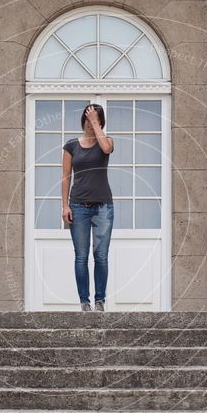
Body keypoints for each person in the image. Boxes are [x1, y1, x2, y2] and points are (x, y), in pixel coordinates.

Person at [61, 104, 115, 312]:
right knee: (81, 256)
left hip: (103, 207)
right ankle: (85, 302)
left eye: (93, 120)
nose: (89, 123)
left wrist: (95, 122)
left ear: (100, 122)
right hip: (78, 206)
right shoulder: (71, 146)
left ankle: (99, 301)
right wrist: (65, 205)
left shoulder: (107, 141)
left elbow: (106, 149)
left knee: (101, 255)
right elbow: (66, 177)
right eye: (87, 119)